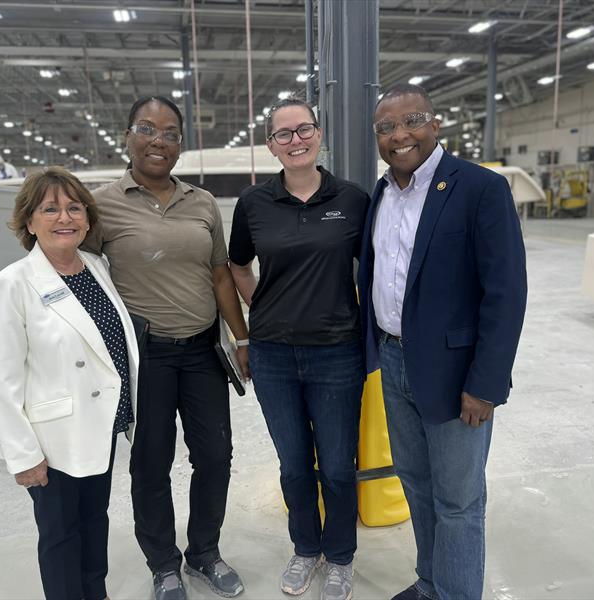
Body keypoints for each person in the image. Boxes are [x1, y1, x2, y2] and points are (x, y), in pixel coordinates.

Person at [357, 84, 527, 600]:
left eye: (411, 121)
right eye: (386, 127)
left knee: (458, 501)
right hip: (393, 357)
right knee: (417, 486)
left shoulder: (479, 188)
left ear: (436, 124)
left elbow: (506, 293)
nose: (399, 134)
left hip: (458, 376)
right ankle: (432, 585)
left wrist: (486, 384)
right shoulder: (382, 194)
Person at [81, 95, 249, 600]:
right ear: (127, 137)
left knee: (215, 455)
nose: (159, 140)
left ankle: (204, 552)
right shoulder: (101, 204)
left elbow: (220, 274)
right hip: (144, 357)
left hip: (202, 353)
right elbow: (81, 278)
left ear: (181, 143)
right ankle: (163, 564)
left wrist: (240, 337)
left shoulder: (200, 202)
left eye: (171, 132)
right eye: (147, 129)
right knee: (151, 462)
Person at [228, 97, 369, 600]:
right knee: (293, 464)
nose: (295, 140)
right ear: (270, 145)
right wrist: (260, 307)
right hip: (274, 356)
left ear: (319, 134)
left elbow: (372, 269)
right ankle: (306, 549)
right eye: (283, 134)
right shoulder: (254, 204)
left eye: (303, 129)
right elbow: (238, 265)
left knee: (335, 465)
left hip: (337, 354)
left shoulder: (352, 199)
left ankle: (341, 557)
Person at [0, 166, 139, 600]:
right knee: (60, 535)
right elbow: (1, 378)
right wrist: (22, 455)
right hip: (51, 441)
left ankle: (97, 593)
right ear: (29, 222)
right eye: (49, 209)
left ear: (88, 219)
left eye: (74, 207)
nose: (63, 217)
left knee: (95, 521)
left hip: (101, 425)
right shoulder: (11, 285)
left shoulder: (96, 266)